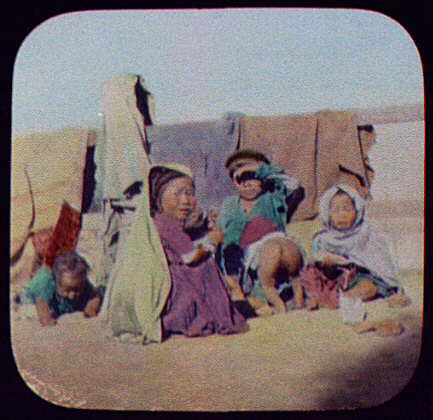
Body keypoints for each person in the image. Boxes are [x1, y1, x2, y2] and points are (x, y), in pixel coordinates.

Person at [149, 164, 247, 339]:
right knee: (206, 265)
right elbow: (190, 257)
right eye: (177, 194)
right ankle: (209, 316)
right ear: (159, 199)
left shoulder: (160, 220)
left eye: (190, 193)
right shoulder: (168, 224)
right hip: (176, 279)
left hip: (169, 273)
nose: (185, 201)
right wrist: (212, 242)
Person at [217, 149, 306, 315]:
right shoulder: (230, 204)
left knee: (292, 265)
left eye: (252, 177)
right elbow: (222, 233)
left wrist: (262, 170)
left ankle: (297, 301)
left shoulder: (272, 197)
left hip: (278, 244)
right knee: (259, 280)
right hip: (248, 257)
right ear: (233, 182)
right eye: (240, 179)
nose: (247, 183)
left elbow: (293, 184)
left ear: (263, 180)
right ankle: (274, 304)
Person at [300, 184, 406, 310]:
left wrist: (351, 264)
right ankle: (318, 297)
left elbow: (381, 264)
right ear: (327, 214)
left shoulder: (368, 234)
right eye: (335, 210)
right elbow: (318, 262)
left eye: (347, 209)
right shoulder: (322, 239)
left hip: (360, 277)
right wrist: (326, 263)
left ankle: (343, 299)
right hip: (332, 279)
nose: (342, 214)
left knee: (368, 287)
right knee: (308, 272)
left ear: (357, 210)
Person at [18, 252, 105, 326]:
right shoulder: (47, 283)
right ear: (56, 282)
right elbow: (41, 306)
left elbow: (94, 296)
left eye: (77, 290)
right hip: (32, 299)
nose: (72, 295)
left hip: (62, 304)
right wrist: (47, 319)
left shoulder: (81, 282)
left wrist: (91, 309)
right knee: (31, 311)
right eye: (67, 291)